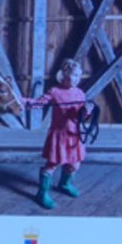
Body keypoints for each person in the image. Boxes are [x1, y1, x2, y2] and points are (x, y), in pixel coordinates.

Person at [25, 58, 92, 209]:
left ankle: (64, 184)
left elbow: (80, 117)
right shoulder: (55, 92)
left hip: (75, 134)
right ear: (64, 74)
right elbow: (39, 102)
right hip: (59, 135)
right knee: (52, 164)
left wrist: (87, 111)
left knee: (75, 163)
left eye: (79, 76)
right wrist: (23, 102)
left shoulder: (80, 93)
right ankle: (41, 193)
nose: (76, 79)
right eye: (74, 75)